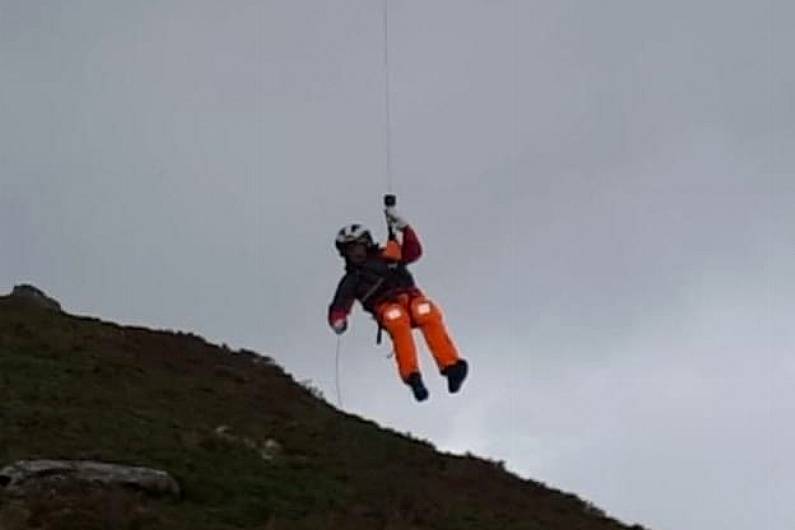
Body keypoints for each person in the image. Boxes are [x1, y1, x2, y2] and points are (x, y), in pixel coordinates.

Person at [327, 204, 468, 401]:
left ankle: (452, 367)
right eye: (350, 250)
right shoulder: (352, 279)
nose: (355, 253)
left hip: (411, 298)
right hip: (386, 306)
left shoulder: (388, 254)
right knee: (398, 321)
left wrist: (404, 228)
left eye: (357, 247)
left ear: (366, 243)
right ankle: (413, 377)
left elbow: (413, 252)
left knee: (426, 313)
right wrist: (338, 320)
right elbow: (339, 304)